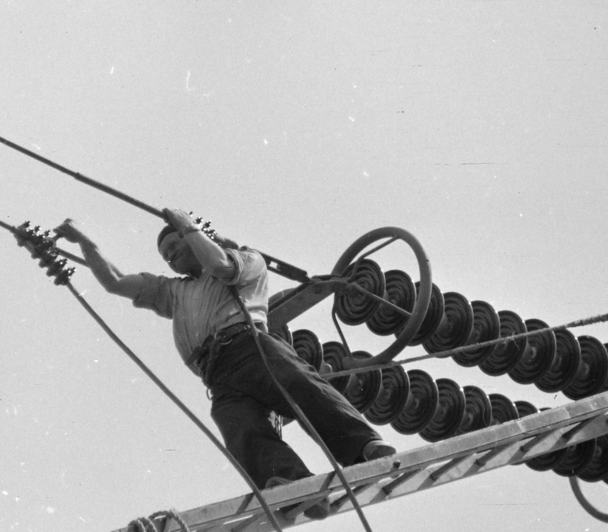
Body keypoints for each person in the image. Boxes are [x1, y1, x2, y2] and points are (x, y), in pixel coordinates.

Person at [53, 209, 395, 503]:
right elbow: (114, 282)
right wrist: (83, 241)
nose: (170, 257)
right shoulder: (173, 290)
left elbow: (219, 264)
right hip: (216, 374)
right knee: (239, 428)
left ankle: (363, 448)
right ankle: (291, 482)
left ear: (194, 238)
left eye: (174, 246)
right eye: (165, 254)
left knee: (302, 388)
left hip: (250, 347)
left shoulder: (247, 260)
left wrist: (189, 226)